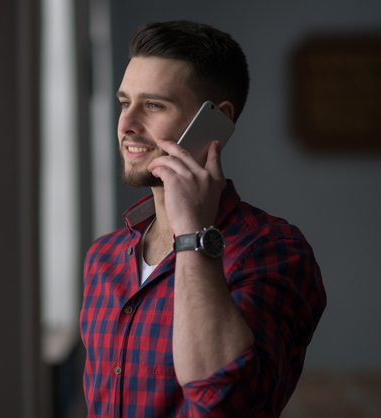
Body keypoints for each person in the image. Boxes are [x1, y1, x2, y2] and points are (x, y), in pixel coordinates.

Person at [80, 21, 326, 417]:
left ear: (216, 122)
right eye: (125, 102)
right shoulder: (103, 258)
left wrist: (194, 235)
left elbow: (225, 401)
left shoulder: (274, 250)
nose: (126, 124)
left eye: (154, 105)